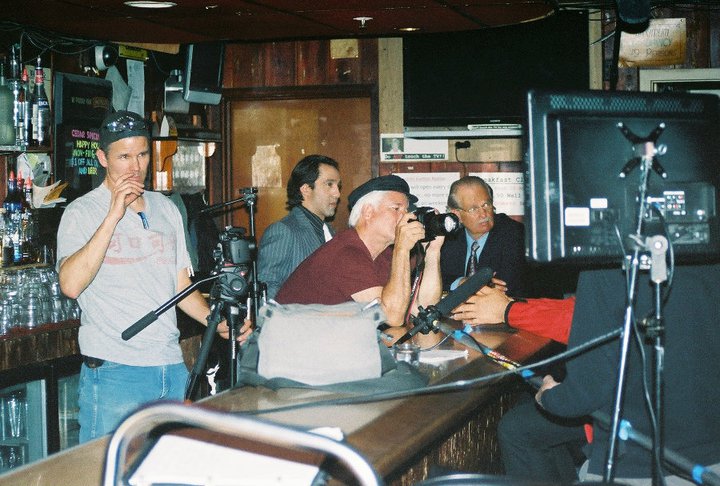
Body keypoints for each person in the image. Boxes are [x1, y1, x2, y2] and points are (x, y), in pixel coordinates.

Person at [56, 110, 250, 443]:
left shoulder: (166, 208)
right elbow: (71, 285)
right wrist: (113, 216)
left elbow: (179, 287)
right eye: (124, 156)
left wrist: (215, 320)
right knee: (107, 473)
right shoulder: (82, 212)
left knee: (168, 473)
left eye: (143, 154)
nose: (135, 166)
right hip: (115, 371)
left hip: (170, 366)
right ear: (103, 157)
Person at [458, 265, 720, 484]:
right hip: (701, 422)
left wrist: (509, 311)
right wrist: (509, 306)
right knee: (522, 427)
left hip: (640, 442)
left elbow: (584, 388)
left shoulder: (605, 269)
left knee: (518, 428)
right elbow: (582, 310)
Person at [275, 174, 443, 327]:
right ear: (368, 212)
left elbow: (423, 307)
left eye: (407, 210)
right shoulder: (346, 253)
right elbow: (392, 317)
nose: (407, 217)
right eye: (396, 209)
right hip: (290, 348)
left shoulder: (383, 254)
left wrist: (433, 252)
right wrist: (402, 249)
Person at [257, 154, 341, 300]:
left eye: (338, 186)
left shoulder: (330, 232)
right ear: (306, 189)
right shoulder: (283, 231)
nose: (337, 193)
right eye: (329, 184)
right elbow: (266, 290)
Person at [441, 176, 527, 296]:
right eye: (473, 209)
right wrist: (461, 282)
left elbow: (509, 285)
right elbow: (433, 278)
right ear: (457, 214)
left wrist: (475, 286)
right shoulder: (448, 239)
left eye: (486, 204)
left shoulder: (514, 234)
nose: (483, 214)